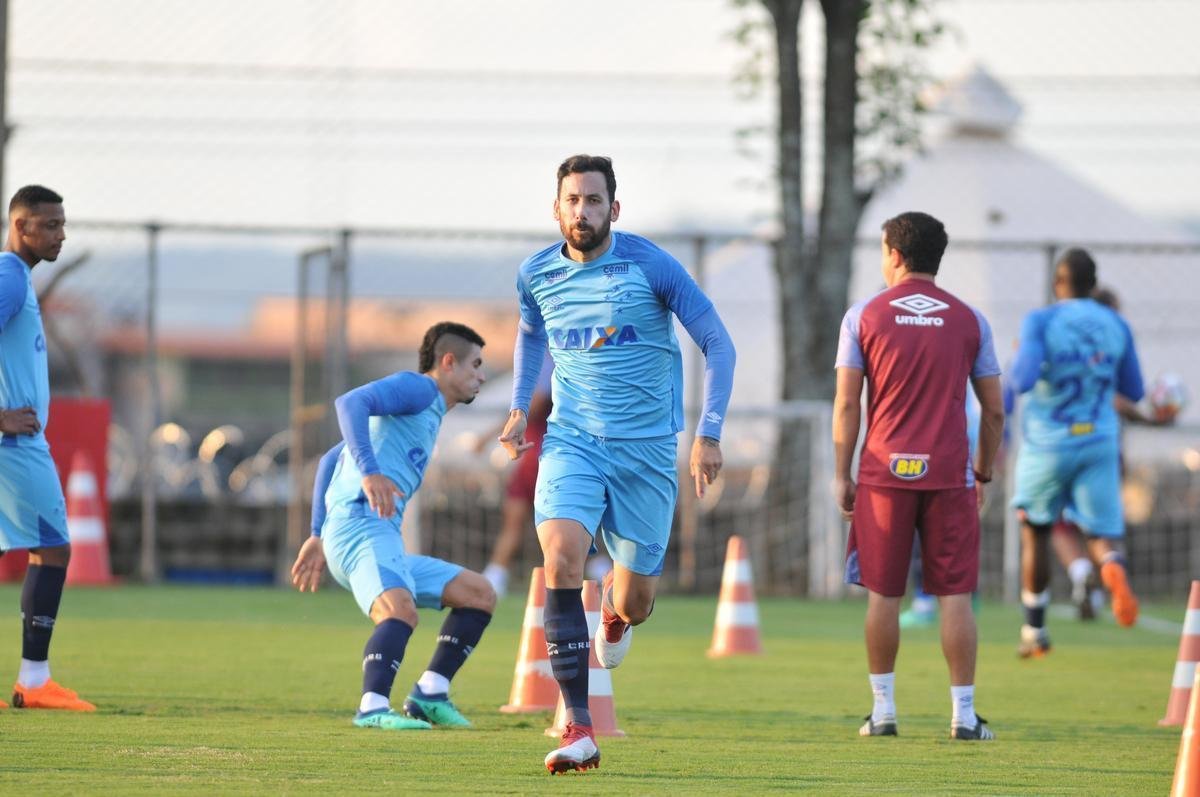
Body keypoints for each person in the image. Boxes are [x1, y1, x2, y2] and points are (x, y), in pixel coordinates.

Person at [498, 154, 735, 773]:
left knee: (636, 601)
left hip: (648, 453)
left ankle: (614, 613)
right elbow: (528, 335)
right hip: (572, 441)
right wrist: (521, 407)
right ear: (557, 209)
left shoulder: (650, 265)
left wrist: (708, 434)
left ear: (614, 208)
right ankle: (579, 726)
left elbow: (718, 342)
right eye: (572, 200)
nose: (583, 211)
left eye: (594, 200)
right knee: (561, 557)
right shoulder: (536, 275)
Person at [833, 211, 1004, 741]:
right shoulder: (972, 320)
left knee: (885, 595)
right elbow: (995, 412)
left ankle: (883, 712)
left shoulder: (863, 316)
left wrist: (843, 472)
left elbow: (846, 405)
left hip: (884, 473)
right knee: (954, 595)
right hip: (951, 474)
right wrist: (984, 472)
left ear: (895, 255)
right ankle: (963, 716)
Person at [291, 322, 497, 730]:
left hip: (372, 533)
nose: (482, 375)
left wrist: (316, 534)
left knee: (478, 593)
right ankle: (371, 708)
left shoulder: (428, 413)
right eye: (476, 365)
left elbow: (333, 459)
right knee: (399, 610)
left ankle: (430, 693)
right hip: (359, 526)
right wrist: (368, 474)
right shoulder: (420, 389)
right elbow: (349, 402)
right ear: (448, 362)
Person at [1010, 253, 1145, 656]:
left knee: (1036, 530)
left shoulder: (1041, 320)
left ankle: (1035, 631)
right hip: (1099, 440)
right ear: (1093, 283)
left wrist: (1027, 354)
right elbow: (1134, 389)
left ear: (1057, 283)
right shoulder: (1116, 323)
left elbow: (1022, 380)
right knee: (1101, 533)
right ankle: (1111, 568)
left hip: (1047, 444)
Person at [0, 186, 95, 712]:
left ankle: (33, 679)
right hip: (14, 447)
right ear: (21, 227)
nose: (61, 234)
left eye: (63, 224)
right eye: (51, 225)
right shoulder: (10, 278)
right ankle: (34, 681)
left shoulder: (18, 279)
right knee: (53, 547)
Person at [480, 352, 554, 598]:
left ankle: (495, 577)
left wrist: (490, 435)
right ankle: (603, 573)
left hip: (538, 453)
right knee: (575, 523)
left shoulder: (547, 359)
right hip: (549, 452)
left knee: (516, 520)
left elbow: (532, 406)